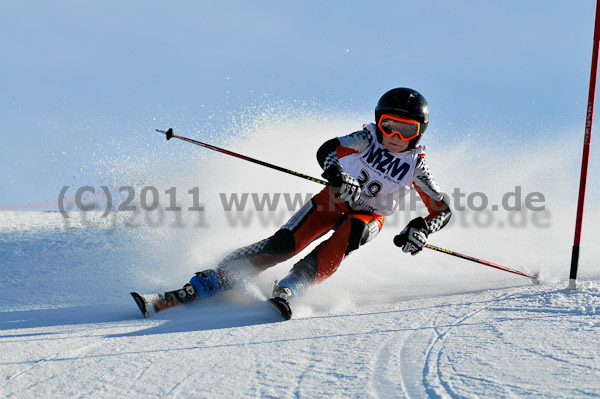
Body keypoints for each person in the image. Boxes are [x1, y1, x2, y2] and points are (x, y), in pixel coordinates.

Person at [171, 88, 452, 312]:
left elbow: (442, 210)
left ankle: (294, 283)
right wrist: (338, 174)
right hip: (336, 198)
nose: (394, 136)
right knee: (284, 245)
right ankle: (216, 278)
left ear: (419, 133)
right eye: (388, 125)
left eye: (406, 130)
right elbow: (328, 149)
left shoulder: (416, 166)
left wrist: (421, 229)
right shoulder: (367, 138)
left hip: (370, 216)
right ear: (378, 121)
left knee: (351, 235)